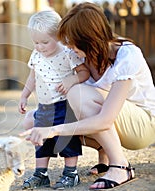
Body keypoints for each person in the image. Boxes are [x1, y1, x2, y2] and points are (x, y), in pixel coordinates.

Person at [20, 2, 155, 190]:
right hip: (114, 121)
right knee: (32, 121)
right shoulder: (82, 56)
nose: (68, 47)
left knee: (78, 94)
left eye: (73, 43)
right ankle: (104, 154)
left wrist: (54, 130)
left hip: (142, 126)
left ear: (89, 40)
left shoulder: (127, 55)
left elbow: (105, 119)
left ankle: (121, 166)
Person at [18, 10, 90, 190]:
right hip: (43, 107)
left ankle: (70, 173)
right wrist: (24, 95)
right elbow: (32, 78)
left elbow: (84, 72)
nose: (40, 47)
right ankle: (40, 174)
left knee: (67, 138)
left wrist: (71, 80)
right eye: (35, 42)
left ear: (58, 36)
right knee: (40, 140)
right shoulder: (36, 55)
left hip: (64, 105)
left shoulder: (67, 53)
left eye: (44, 42)